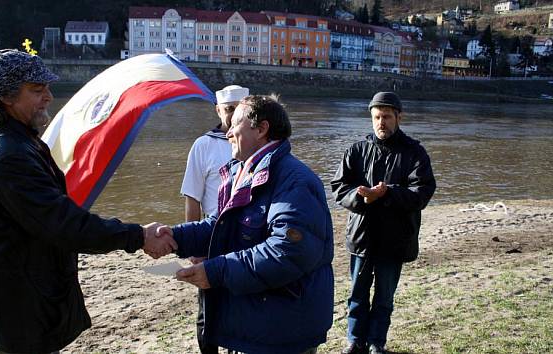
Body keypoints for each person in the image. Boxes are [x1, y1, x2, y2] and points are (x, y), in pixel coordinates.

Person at [0, 49, 177, 354]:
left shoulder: (9, 136)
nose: (49, 97)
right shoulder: (8, 156)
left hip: (15, 293)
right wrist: (138, 236)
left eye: (47, 88)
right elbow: (64, 225)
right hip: (18, 303)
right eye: (37, 90)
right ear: (7, 98)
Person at [160, 95, 334, 354]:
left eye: (236, 124)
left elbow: (287, 251)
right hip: (258, 319)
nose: (228, 132)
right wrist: (174, 237)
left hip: (281, 329)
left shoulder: (293, 179)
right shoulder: (244, 171)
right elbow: (219, 225)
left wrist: (216, 272)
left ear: (261, 129)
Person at [331, 92, 436, 354]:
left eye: (387, 117)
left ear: (399, 117)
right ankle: (354, 341)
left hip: (395, 238)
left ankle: (377, 343)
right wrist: (361, 197)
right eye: (377, 117)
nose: (381, 122)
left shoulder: (415, 153)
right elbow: (338, 187)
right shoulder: (356, 150)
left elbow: (422, 193)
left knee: (384, 298)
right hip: (362, 237)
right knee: (357, 294)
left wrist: (387, 192)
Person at [180, 84, 249, 354]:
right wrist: (193, 247)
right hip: (212, 239)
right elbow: (192, 198)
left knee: (242, 303)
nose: (232, 117)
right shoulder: (203, 145)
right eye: (228, 110)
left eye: (238, 110)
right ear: (218, 110)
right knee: (208, 309)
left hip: (245, 238)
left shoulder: (255, 142)